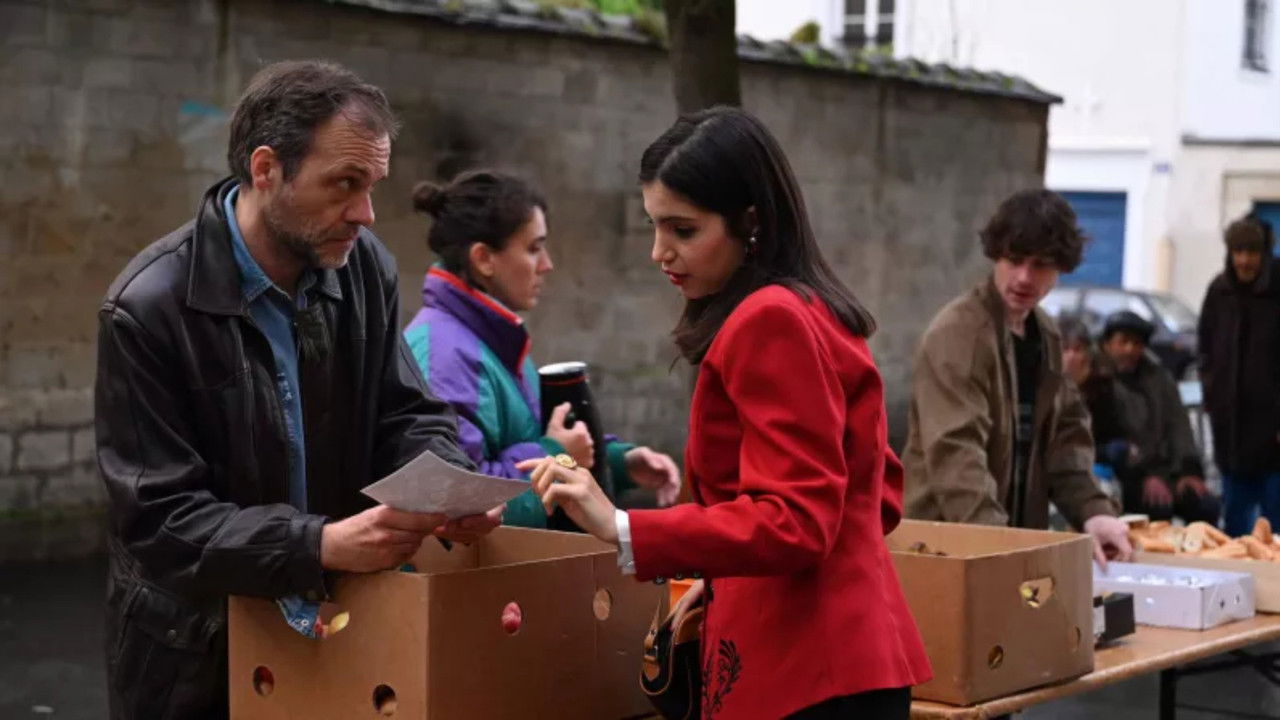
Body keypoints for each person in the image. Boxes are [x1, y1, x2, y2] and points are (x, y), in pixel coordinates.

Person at [94, 61, 499, 720]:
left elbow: (406, 412)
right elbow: (159, 520)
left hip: (339, 628)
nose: (365, 214)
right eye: (344, 183)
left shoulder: (362, 265)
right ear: (266, 170)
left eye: (372, 186)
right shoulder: (147, 307)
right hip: (197, 656)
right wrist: (317, 545)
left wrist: (447, 488)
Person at [521, 107, 931, 720]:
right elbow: (879, 494)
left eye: (683, 230)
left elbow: (798, 519)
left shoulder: (771, 318)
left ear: (751, 222)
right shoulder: (818, 307)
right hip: (846, 657)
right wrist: (721, 567)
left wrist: (624, 526)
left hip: (803, 668)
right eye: (655, 227)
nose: (660, 252)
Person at [402, 170, 681, 527]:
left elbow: (531, 432)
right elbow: (460, 506)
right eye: (533, 249)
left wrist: (616, 462)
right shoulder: (444, 355)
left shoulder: (489, 336)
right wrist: (558, 455)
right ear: (484, 258)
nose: (547, 265)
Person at [902, 189, 1132, 566]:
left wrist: (1094, 511)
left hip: (1008, 544)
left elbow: (1066, 436)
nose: (1024, 277)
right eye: (1015, 260)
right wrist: (1004, 549)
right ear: (997, 256)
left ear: (1061, 269)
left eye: (1041, 265)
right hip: (944, 550)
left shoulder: (1045, 334)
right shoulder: (959, 334)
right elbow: (957, 455)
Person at [1097, 311, 1220, 525]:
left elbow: (1179, 426)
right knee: (1157, 508)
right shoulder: (1098, 382)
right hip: (1126, 476)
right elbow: (1110, 442)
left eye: (1136, 343)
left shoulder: (1159, 378)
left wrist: (1188, 471)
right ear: (1108, 344)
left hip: (1168, 471)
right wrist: (1143, 476)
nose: (1129, 349)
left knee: (1205, 505)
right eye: (1123, 342)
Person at [1200, 215, 1280, 536]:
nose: (1245, 260)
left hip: (1274, 438)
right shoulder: (1219, 292)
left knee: (1275, 531)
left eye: (1252, 252)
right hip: (1231, 435)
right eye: (1238, 251)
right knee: (1234, 530)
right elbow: (1205, 349)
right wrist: (1212, 398)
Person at [1059, 317, 1132, 480]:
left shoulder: (1104, 388)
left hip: (1097, 464)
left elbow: (1117, 434)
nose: (1071, 356)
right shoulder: (1045, 388)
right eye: (1065, 349)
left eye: (1077, 349)